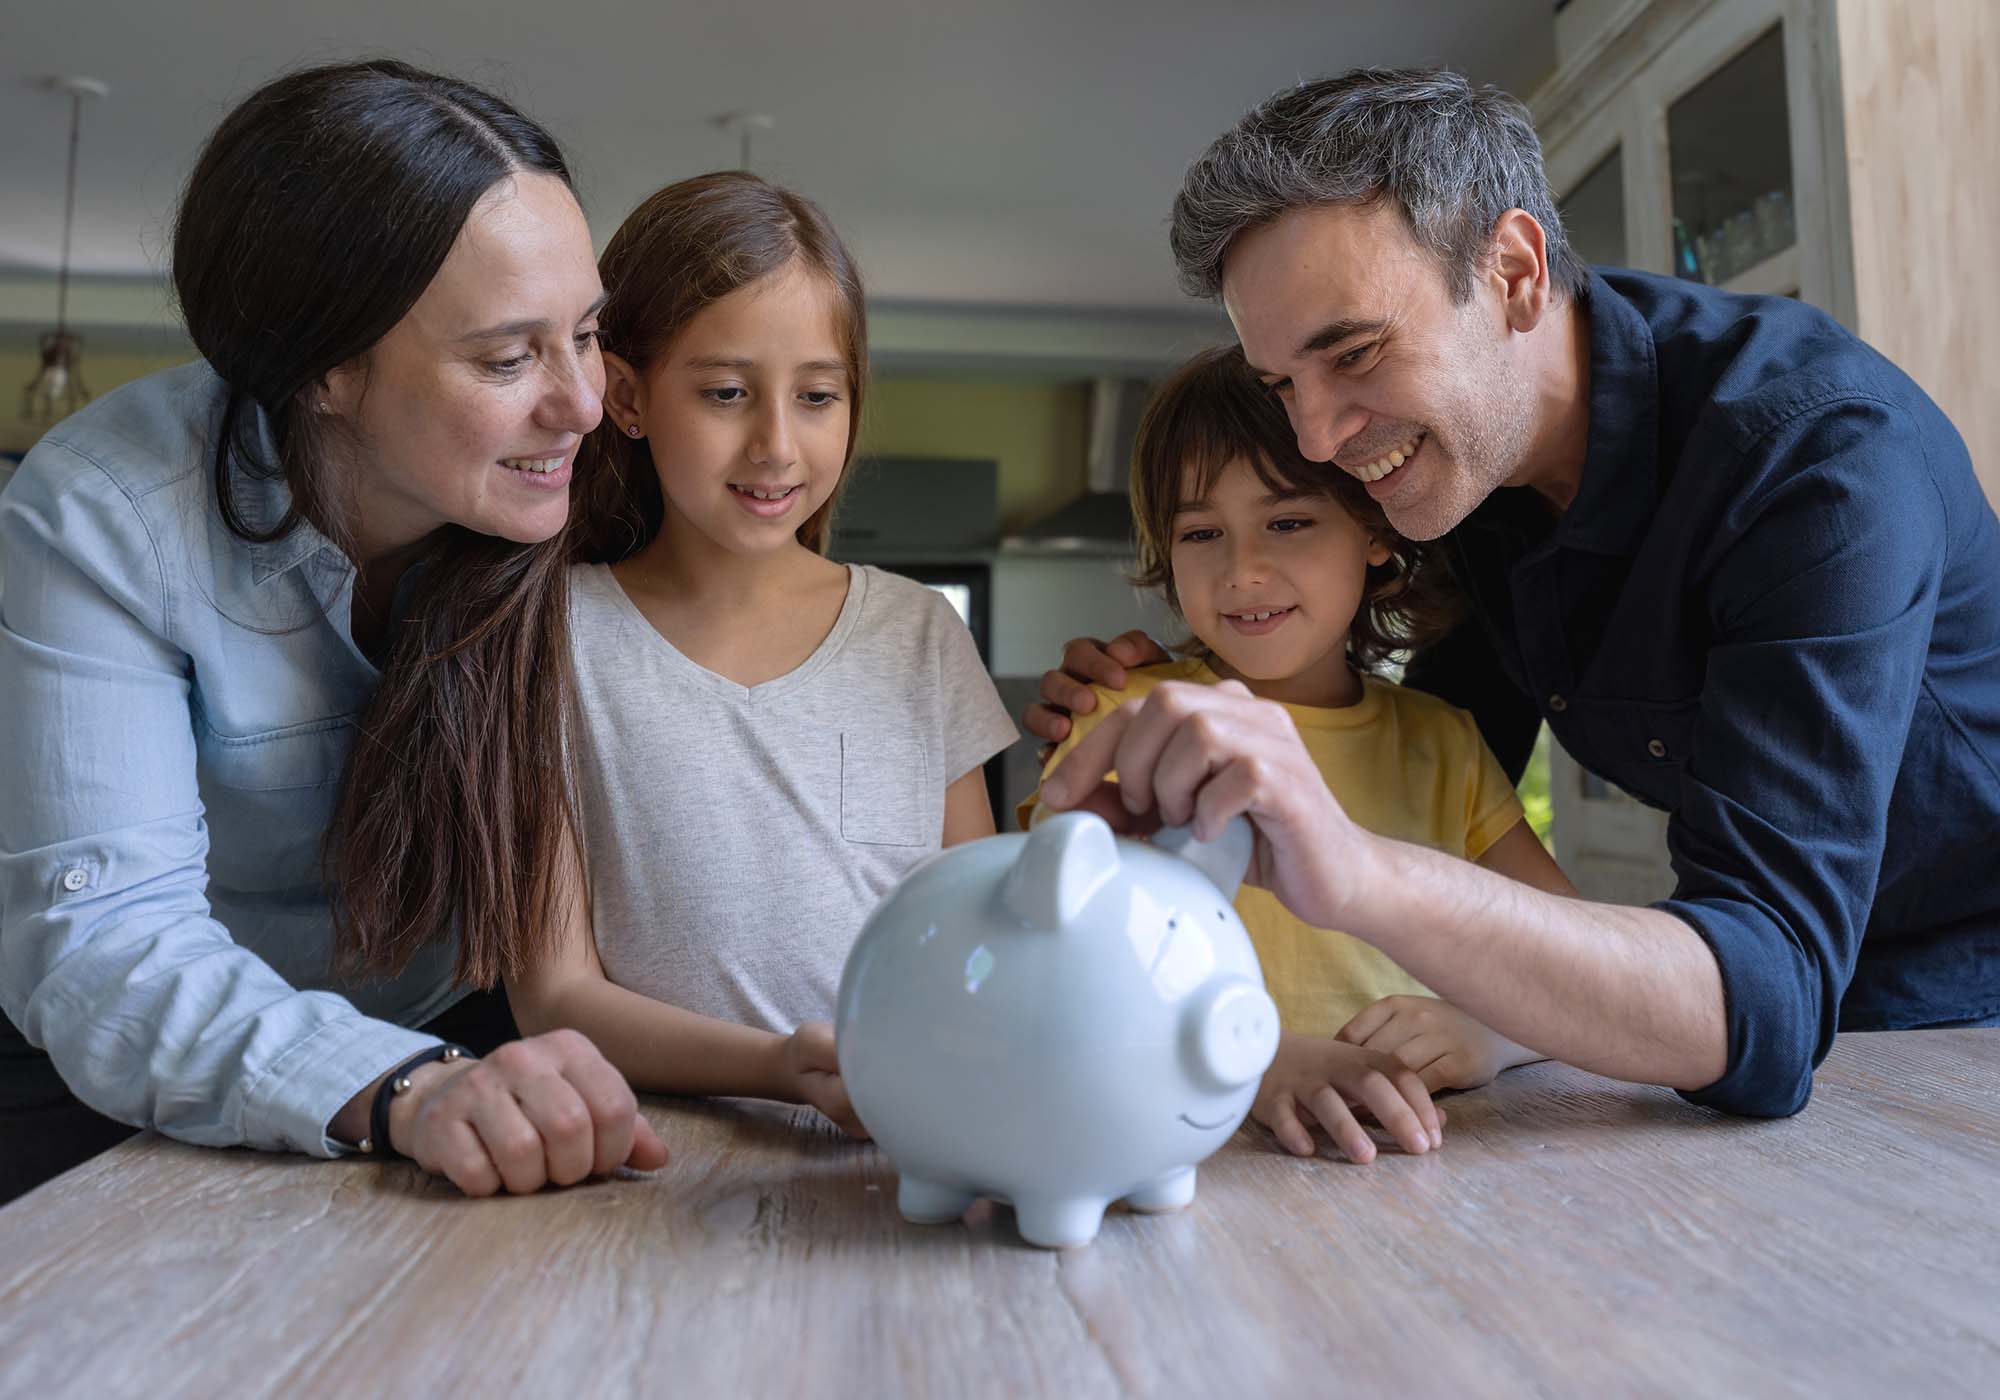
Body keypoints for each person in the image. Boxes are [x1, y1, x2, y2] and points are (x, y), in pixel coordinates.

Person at [1029, 68, 2000, 1118]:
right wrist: (1178, 695)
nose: (1314, 438)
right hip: (1756, 999)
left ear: (1513, 272)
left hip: (1958, 1009)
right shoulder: (1460, 474)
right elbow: (1421, 758)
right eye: (1281, 389)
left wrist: (1359, 869)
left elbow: (1760, 1002)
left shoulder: (1814, 462)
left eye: (1352, 353)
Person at [0, 60, 664, 1205]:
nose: (583, 404)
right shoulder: (103, 515)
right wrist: (401, 1085)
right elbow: (105, 940)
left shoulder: (592, 483)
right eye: (508, 358)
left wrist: (1085, 721)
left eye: (588, 334)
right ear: (323, 371)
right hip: (131, 1067)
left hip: (464, 1043)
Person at [502, 174, 1017, 1132]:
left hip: (912, 1148)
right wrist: (783, 1067)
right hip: (652, 1166)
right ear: (626, 396)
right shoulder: (548, 642)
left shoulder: (920, 636)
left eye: (818, 395)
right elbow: (554, 996)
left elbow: (977, 936)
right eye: (728, 393)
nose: (778, 445)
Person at [1023, 345, 1570, 1162]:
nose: (1243, 571)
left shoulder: (1441, 741)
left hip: (1414, 1162)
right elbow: (1049, 970)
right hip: (1179, 1160)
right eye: (1202, 531)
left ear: (1375, 531)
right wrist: (1248, 1058)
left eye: (1287, 521)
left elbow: (1573, 961)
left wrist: (1490, 1034)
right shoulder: (1128, 716)